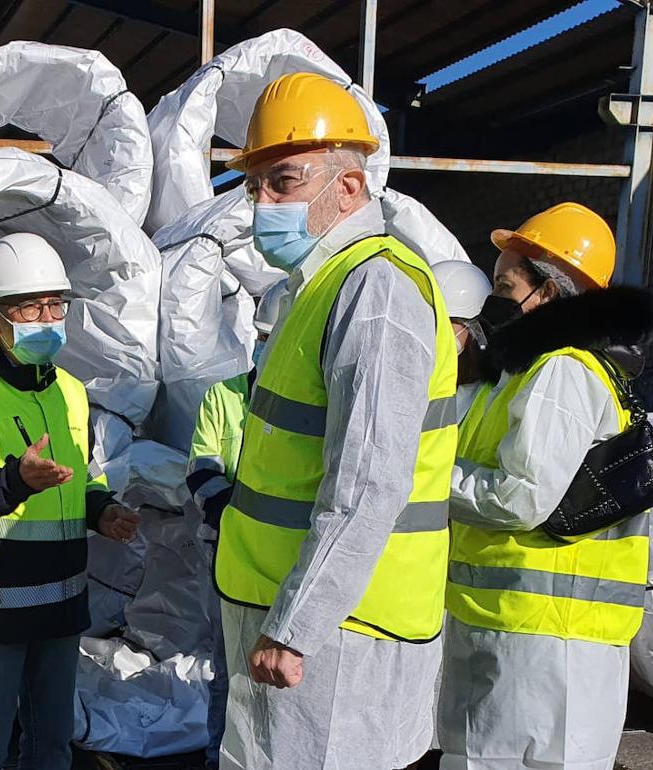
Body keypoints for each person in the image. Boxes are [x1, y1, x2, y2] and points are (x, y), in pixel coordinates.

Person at [213, 72, 459, 770]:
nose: (261, 202)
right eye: (255, 184)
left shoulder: (374, 290)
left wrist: (297, 628)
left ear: (347, 188)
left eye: (283, 181)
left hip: (342, 635)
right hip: (308, 621)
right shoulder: (320, 287)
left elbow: (368, 482)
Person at [438, 202, 653, 770]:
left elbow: (521, 497)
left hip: (547, 645)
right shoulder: (519, 372)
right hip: (509, 630)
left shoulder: (561, 371)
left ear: (550, 293)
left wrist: (428, 475)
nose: (495, 299)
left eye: (506, 284)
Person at [0, 232, 141, 770]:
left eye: (55, 305)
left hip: (63, 606)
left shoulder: (71, 390)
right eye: (29, 306)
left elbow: (81, 479)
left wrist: (102, 509)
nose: (46, 318)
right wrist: (16, 482)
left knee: (51, 746)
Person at [186, 278, 288, 770]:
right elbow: (202, 470)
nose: (267, 349)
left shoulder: (311, 402)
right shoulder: (223, 397)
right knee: (228, 668)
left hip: (287, 560)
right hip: (226, 553)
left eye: (277, 340)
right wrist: (242, 524)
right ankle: (217, 756)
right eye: (263, 339)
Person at [432, 260, 494, 419]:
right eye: (430, 319)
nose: (435, 331)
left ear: (475, 329)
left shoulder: (487, 395)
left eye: (447, 322)